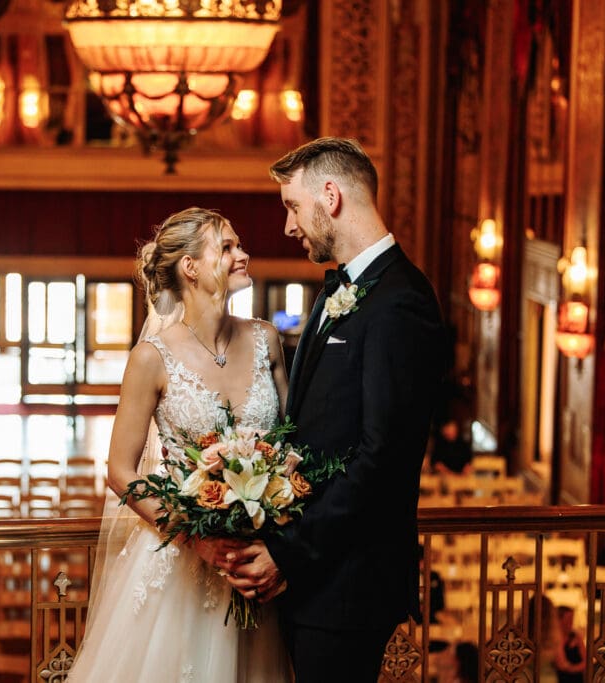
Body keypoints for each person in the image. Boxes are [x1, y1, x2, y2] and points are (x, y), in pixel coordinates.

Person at [222, 137, 445, 680]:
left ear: (331, 195)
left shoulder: (401, 301)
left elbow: (381, 460)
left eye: (292, 207)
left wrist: (289, 553)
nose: (288, 226)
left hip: (348, 585)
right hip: (315, 580)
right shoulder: (341, 288)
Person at [67, 207, 292, 681]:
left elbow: (292, 448)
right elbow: (120, 471)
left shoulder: (266, 339)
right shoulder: (152, 357)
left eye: (239, 245)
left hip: (255, 567)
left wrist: (274, 512)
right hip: (182, 567)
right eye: (227, 247)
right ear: (190, 267)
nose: (243, 254)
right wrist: (197, 537)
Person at [553, 605, 585, 682]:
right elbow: (561, 664)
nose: (571, 623)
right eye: (568, 619)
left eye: (572, 619)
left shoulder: (575, 636)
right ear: (559, 620)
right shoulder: (553, 639)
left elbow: (586, 661)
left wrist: (572, 669)